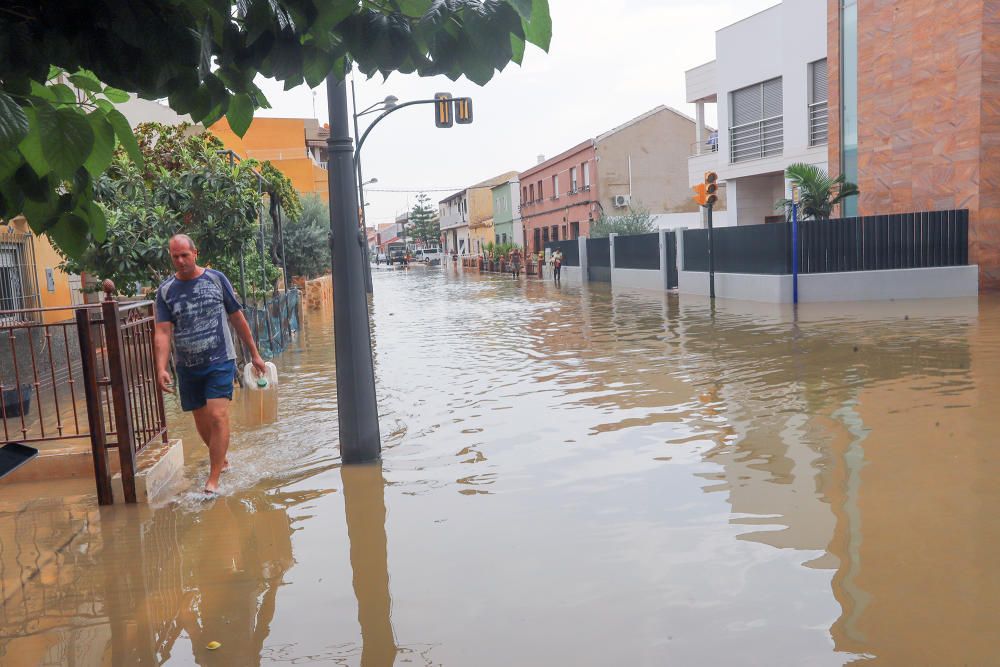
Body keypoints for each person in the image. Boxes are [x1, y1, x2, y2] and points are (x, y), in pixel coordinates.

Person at [154, 234, 266, 495]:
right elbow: (162, 331)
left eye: (185, 255)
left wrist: (254, 354)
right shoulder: (165, 291)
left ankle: (213, 479)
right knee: (202, 421)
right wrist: (161, 367)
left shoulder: (216, 279)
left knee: (218, 415)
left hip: (219, 360)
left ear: (196, 253)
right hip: (187, 365)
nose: (180, 260)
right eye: (175, 256)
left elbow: (237, 318)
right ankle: (221, 459)